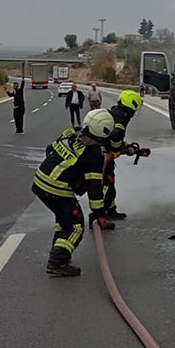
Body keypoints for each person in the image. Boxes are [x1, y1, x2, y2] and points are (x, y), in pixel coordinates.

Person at [31, 109, 115, 277]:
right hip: (57, 188)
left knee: (64, 221)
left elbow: (50, 149)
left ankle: (59, 251)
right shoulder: (94, 153)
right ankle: (57, 262)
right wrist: (99, 214)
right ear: (104, 132)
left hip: (40, 181)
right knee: (76, 226)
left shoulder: (71, 132)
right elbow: (94, 187)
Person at [102, 89, 144, 221]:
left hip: (104, 153)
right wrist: (123, 150)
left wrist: (127, 147)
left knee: (110, 183)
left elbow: (115, 138)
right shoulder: (122, 118)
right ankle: (100, 213)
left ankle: (111, 210)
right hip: (103, 155)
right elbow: (116, 138)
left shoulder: (116, 112)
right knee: (107, 184)